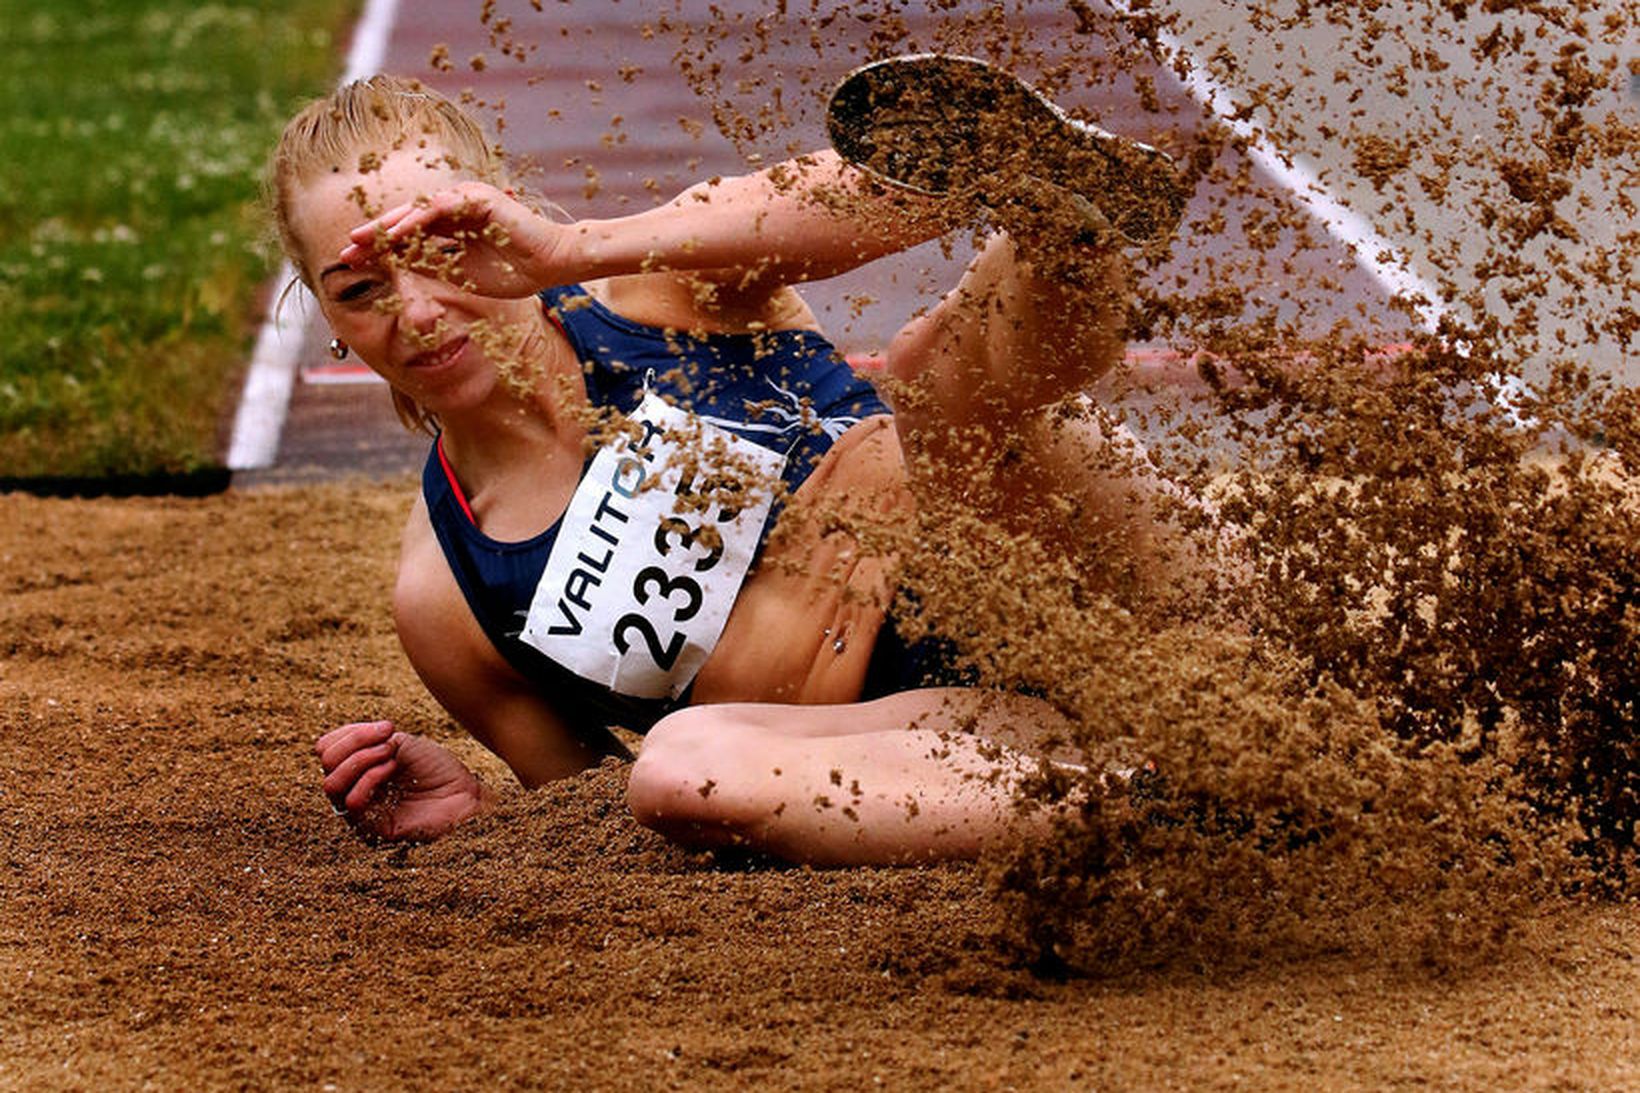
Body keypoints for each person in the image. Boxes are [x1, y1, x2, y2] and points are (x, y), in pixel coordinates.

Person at [271, 55, 1194, 866]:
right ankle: (1191, 795)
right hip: (964, 738)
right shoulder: (448, 598)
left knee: (932, 372)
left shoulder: (657, 290)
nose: (419, 309)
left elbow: (904, 184)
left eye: (436, 247)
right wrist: (481, 822)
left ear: (494, 213)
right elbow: (593, 816)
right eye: (362, 287)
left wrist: (572, 251)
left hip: (1078, 577)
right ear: (328, 315)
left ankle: (1068, 225)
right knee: (680, 769)